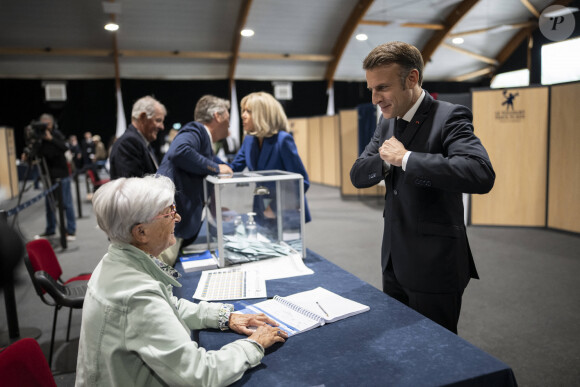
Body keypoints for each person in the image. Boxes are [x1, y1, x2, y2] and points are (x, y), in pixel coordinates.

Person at [75, 175, 287, 386]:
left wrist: (225, 317)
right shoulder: (136, 296)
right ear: (141, 232)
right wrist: (253, 345)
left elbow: (167, 306)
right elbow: (199, 375)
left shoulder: (116, 260)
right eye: (169, 213)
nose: (177, 219)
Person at [350, 41, 495, 333]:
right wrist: (388, 163)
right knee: (401, 348)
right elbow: (358, 174)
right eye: (372, 90)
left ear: (412, 78)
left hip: (435, 266)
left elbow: (480, 174)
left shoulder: (450, 116)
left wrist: (407, 159)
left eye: (383, 88)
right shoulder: (386, 122)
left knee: (438, 357)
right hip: (393, 261)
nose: (376, 98)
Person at [157, 95, 233, 265]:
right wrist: (217, 168)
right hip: (167, 226)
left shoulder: (205, 142)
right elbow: (180, 151)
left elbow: (213, 163)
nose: (229, 122)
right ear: (218, 116)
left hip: (177, 227)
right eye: (228, 116)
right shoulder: (196, 129)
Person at [229, 91, 311, 224]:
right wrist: (205, 159)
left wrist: (274, 208)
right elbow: (233, 168)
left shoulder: (283, 140)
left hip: (285, 211)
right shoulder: (249, 140)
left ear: (263, 115)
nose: (243, 115)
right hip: (260, 207)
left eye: (248, 111)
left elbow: (301, 182)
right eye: (243, 111)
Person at [33, 113, 77, 240]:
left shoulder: (56, 134)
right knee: (49, 205)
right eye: (43, 123)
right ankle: (50, 229)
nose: (45, 126)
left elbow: (64, 147)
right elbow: (36, 152)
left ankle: (71, 231)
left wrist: (51, 139)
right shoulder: (39, 138)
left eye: (47, 123)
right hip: (48, 176)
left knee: (67, 203)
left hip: (62, 176)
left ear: (51, 124)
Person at [109, 96, 166, 179]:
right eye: (158, 120)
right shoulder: (128, 143)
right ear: (143, 117)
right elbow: (130, 188)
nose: (162, 127)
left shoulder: (141, 142)